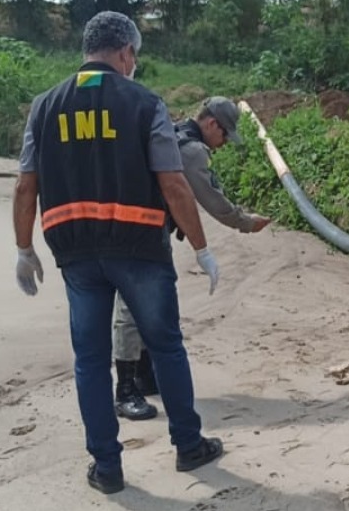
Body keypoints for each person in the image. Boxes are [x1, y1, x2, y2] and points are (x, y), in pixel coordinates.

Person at [12, 11, 225, 495]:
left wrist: (24, 249)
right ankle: (188, 446)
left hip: (76, 254)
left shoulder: (45, 107)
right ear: (126, 53)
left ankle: (107, 468)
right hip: (140, 249)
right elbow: (172, 182)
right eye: (136, 57)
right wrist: (202, 248)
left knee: (90, 360)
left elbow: (27, 186)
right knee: (167, 346)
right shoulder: (145, 103)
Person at [113, 96, 272, 421]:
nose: (224, 143)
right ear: (211, 123)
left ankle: (143, 376)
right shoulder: (192, 150)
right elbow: (212, 199)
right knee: (132, 308)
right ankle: (125, 390)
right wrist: (246, 223)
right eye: (225, 135)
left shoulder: (170, 134)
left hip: (135, 227)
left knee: (146, 304)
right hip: (139, 232)